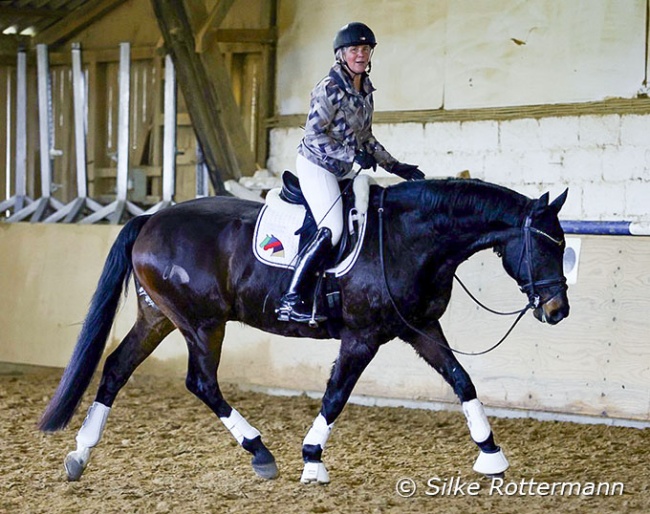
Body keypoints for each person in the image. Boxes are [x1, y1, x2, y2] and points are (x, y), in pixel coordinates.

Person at [276, 21, 425, 324]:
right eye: (354, 49)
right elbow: (314, 136)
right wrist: (350, 153)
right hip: (318, 165)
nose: (361, 54)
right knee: (333, 228)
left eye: (366, 48)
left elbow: (366, 137)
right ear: (341, 54)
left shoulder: (365, 90)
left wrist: (395, 166)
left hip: (343, 169)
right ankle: (292, 298)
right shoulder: (329, 89)